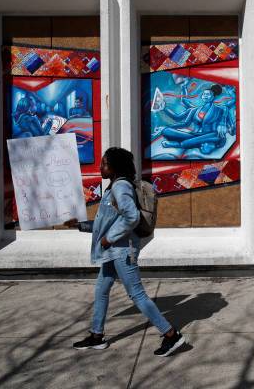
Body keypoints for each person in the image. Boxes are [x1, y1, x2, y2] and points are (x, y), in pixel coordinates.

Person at [65, 147, 185, 357]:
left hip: (122, 250)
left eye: (104, 163)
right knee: (101, 289)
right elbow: (106, 223)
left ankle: (171, 335)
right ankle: (96, 335)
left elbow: (131, 217)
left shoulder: (120, 187)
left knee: (136, 294)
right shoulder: (113, 188)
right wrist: (80, 225)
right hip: (113, 250)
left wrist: (108, 238)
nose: (101, 167)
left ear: (115, 167)